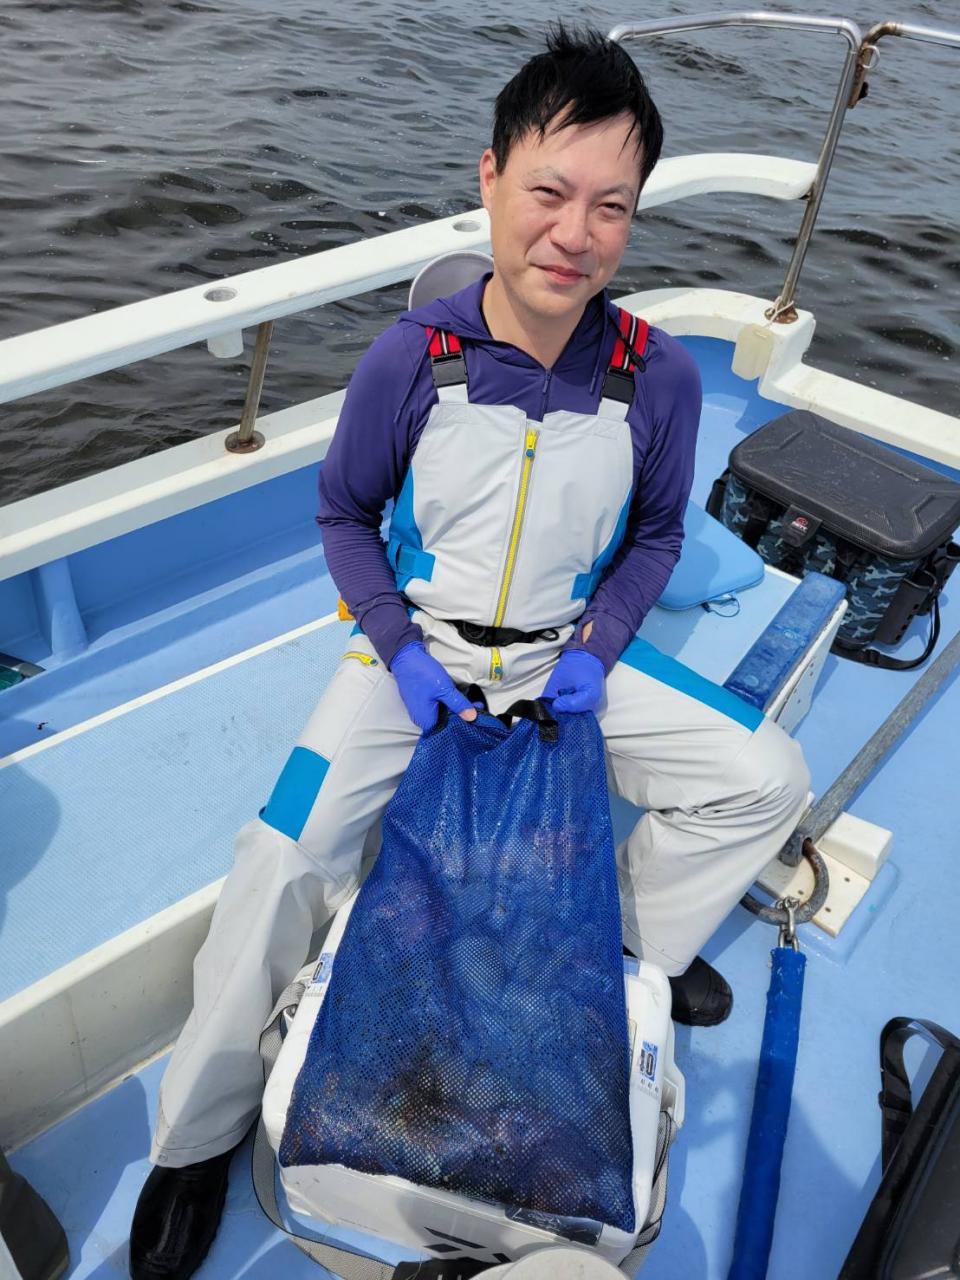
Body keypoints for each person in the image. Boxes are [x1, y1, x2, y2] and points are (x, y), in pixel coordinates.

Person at [130, 24, 810, 1279]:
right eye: (549, 191)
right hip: (411, 658)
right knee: (279, 855)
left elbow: (659, 534)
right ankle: (191, 1137)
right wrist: (395, 646)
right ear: (490, 177)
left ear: (635, 215)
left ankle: (610, 962)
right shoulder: (412, 359)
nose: (574, 233)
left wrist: (603, 642)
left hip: (565, 659)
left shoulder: (657, 377)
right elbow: (343, 516)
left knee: (764, 777)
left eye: (611, 206)